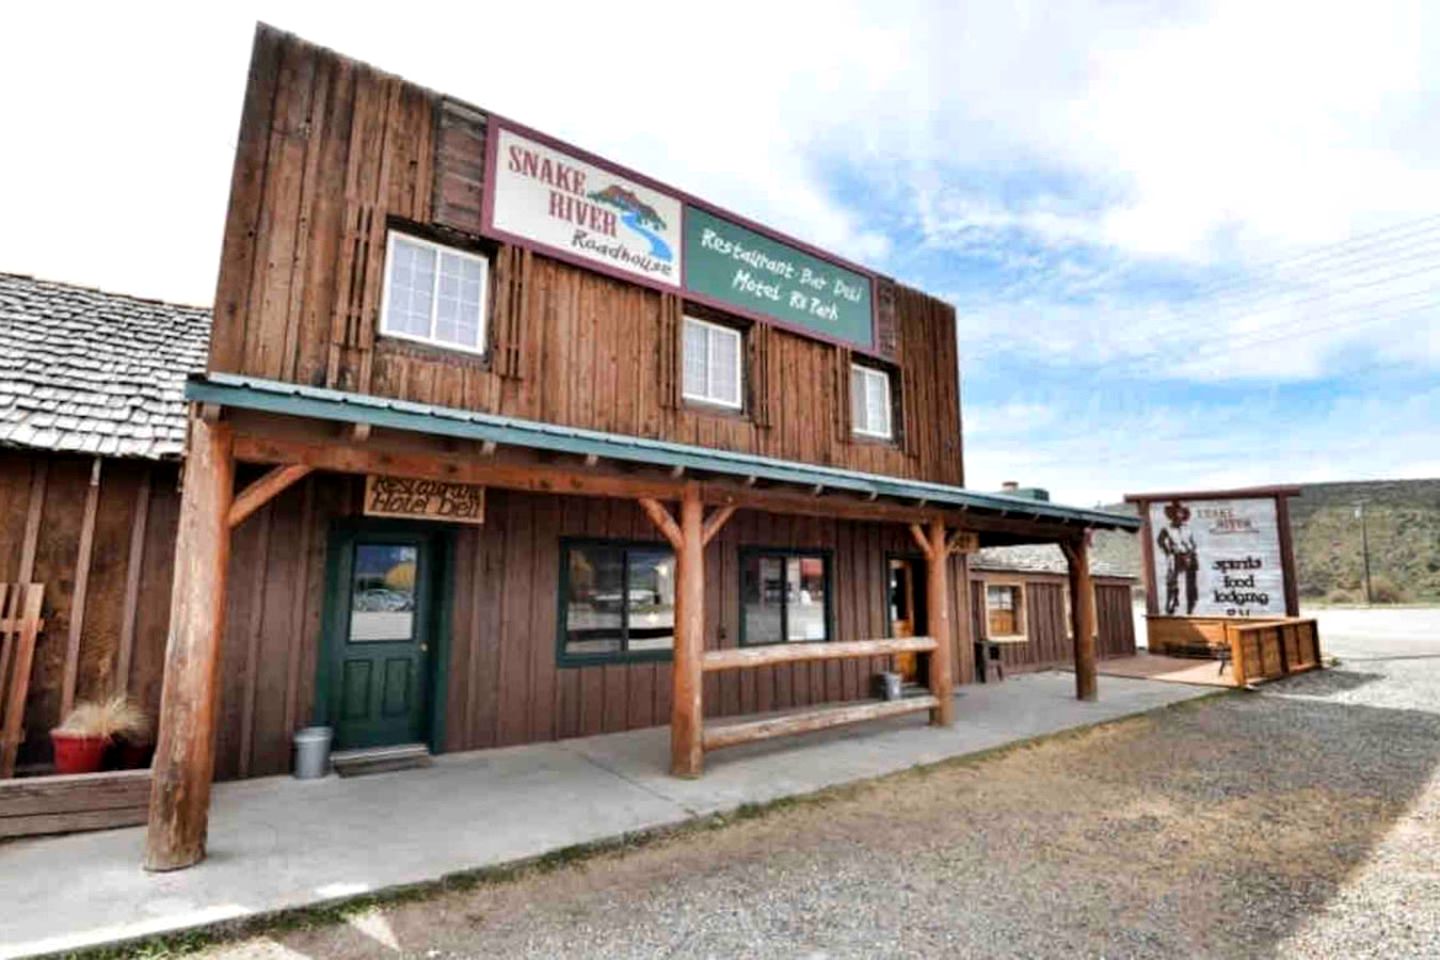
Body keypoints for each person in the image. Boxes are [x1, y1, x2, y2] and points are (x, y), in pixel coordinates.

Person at [1156, 500, 1199, 615]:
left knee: (1191, 581)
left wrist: (1191, 551)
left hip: (1189, 554)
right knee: (1172, 579)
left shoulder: (1187, 528)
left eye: (1180, 512)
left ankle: (1191, 605)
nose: (1178, 515)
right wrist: (1168, 552)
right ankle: (1172, 603)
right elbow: (1160, 541)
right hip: (1175, 556)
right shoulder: (1167, 528)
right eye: (1176, 513)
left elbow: (1193, 542)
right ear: (1171, 515)